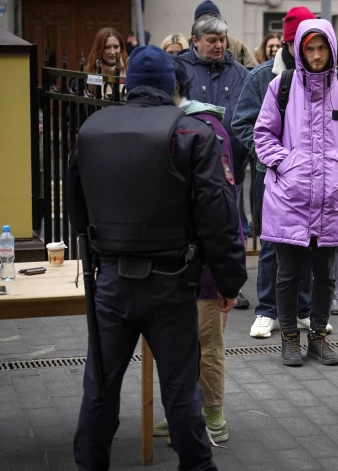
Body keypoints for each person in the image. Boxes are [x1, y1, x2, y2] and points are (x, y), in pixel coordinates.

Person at [66, 45, 247, 470]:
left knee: (100, 390)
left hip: (110, 279)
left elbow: (75, 204)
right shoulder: (192, 133)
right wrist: (229, 282)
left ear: (129, 85)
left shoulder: (91, 129)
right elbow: (218, 216)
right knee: (181, 391)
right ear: (173, 85)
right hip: (171, 281)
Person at [254, 19, 338, 366]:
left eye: (323, 48)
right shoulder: (282, 85)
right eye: (310, 48)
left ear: (332, 49)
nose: (317, 55)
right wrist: (287, 164)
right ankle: (290, 337)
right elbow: (263, 134)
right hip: (288, 197)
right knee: (288, 274)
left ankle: (318, 337)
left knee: (326, 274)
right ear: (300, 50)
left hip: (331, 197)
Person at [152, 57, 241, 445]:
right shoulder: (157, 127)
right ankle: (182, 412)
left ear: (174, 89)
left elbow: (223, 207)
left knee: (208, 344)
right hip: (168, 264)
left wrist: (228, 276)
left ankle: (213, 416)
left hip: (205, 263)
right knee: (176, 345)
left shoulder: (208, 129)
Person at [232, 6, 334, 339]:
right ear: (290, 43)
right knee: (275, 243)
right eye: (298, 43)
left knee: (309, 240)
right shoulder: (263, 76)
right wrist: (275, 157)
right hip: (272, 173)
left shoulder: (327, 77)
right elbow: (243, 123)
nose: (305, 50)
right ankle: (267, 310)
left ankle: (303, 310)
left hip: (314, 176)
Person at [177, 13, 251, 309]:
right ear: (195, 41)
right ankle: (190, 279)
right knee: (193, 227)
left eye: (222, 39)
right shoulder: (180, 70)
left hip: (231, 166)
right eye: (212, 40)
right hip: (188, 166)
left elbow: (250, 117)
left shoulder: (241, 73)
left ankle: (230, 283)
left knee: (231, 225)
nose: (219, 45)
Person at [194, 0, 258, 67]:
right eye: (211, 40)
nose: (218, 46)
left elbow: (253, 69)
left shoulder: (236, 47)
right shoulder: (187, 45)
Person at [85, 27, 128, 97]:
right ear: (99, 49)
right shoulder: (87, 73)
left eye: (116, 47)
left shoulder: (130, 71)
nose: (112, 52)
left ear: (121, 48)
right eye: (107, 47)